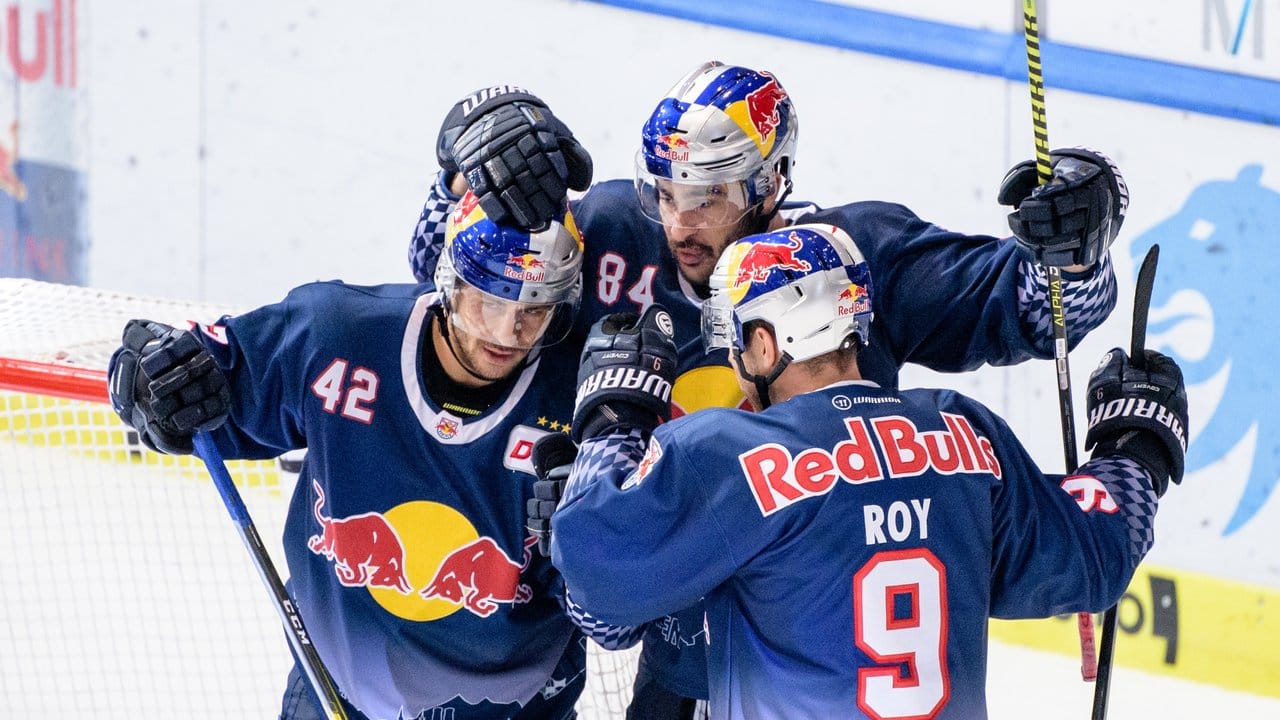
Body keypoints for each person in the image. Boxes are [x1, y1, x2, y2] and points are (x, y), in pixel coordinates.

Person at [419, 62, 1128, 716]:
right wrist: (467, 159)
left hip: (813, 653)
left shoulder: (851, 260)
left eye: (707, 199)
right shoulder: (610, 233)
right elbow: (445, 277)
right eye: (665, 193)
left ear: (771, 181)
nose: (678, 225)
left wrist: (1075, 242)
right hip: (672, 649)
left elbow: (1036, 309)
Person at [548, 224, 1188, 719]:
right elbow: (1095, 553)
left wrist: (614, 416)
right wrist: (1135, 444)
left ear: (767, 344)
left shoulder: (726, 451)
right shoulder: (963, 431)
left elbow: (601, 583)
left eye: (742, 340)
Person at [107, 194, 615, 719]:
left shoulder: (581, 396)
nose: (510, 331)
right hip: (331, 692)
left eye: (535, 309)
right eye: (491, 300)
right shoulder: (337, 337)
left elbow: (611, 606)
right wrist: (150, 381)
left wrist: (593, 546)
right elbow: (203, 383)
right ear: (451, 281)